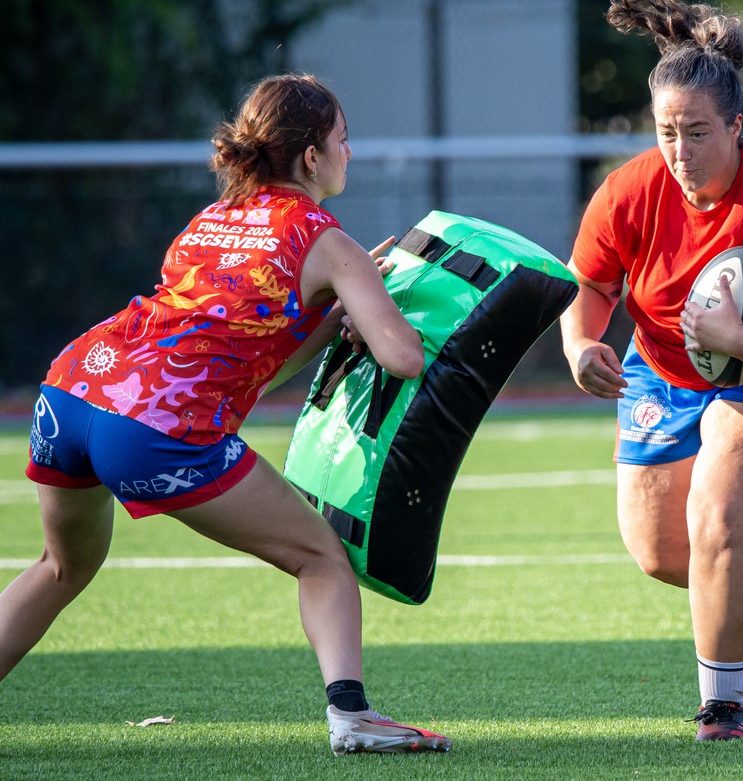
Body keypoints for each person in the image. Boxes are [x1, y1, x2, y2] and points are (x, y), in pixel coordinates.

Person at [0, 74, 452, 756]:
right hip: (151, 428)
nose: (349, 154)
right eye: (343, 140)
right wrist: (374, 296)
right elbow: (403, 357)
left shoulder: (209, 220)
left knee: (60, 567)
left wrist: (332, 323)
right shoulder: (327, 239)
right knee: (321, 556)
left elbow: (246, 360)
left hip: (70, 393)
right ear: (310, 158)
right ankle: (353, 715)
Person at [561, 0, 743, 741]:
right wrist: (582, 345)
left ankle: (723, 703)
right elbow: (588, 287)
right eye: (666, 133)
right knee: (664, 553)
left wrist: (736, 338)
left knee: (719, 517)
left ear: (737, 127)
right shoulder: (628, 190)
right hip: (662, 366)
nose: (680, 152)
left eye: (697, 133)